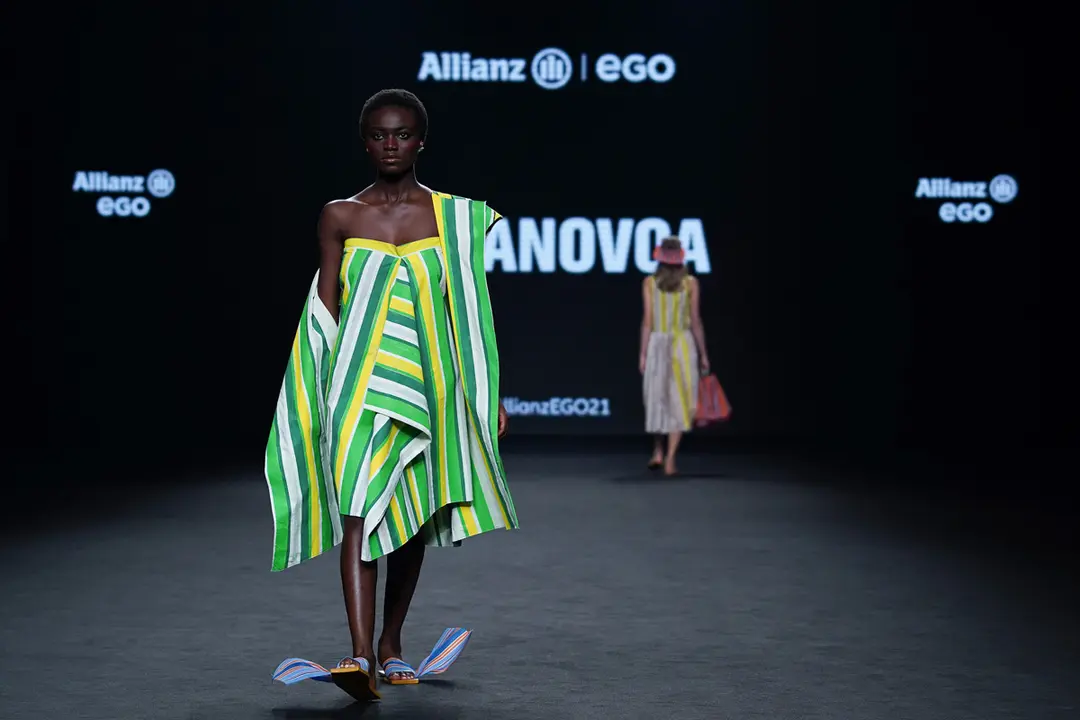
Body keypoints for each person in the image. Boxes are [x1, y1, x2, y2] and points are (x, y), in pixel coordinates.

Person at [264, 88, 519, 699]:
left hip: (431, 386)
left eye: (401, 134)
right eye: (379, 135)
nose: (390, 145)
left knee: (409, 519)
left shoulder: (455, 217)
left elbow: (470, 313)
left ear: (420, 141)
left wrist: (488, 396)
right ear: (365, 141)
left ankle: (391, 644)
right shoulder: (340, 215)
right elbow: (325, 307)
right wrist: (314, 390)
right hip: (352, 383)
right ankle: (358, 657)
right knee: (358, 507)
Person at [639, 236, 710, 476]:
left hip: (659, 343)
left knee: (657, 399)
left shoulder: (650, 283)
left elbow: (647, 322)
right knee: (677, 400)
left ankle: (659, 451)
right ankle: (670, 458)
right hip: (682, 345)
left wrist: (643, 352)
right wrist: (703, 354)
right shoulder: (691, 283)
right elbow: (696, 321)